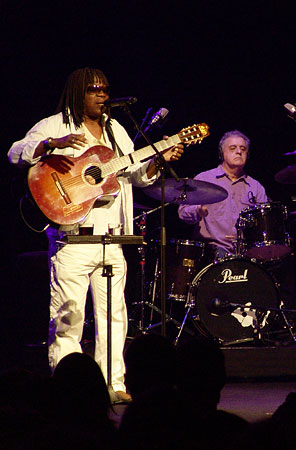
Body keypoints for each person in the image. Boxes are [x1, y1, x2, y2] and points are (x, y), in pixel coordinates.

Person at [7, 67, 183, 403]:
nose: (102, 96)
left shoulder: (116, 130)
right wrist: (50, 145)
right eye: (94, 90)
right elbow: (15, 153)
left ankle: (113, 385)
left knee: (114, 316)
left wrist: (157, 161)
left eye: (105, 90)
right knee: (69, 317)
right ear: (78, 92)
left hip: (112, 239)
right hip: (72, 239)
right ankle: (66, 388)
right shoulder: (56, 125)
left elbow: (136, 175)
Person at [178, 129, 268, 259]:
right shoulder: (204, 179)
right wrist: (198, 211)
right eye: (233, 148)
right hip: (211, 252)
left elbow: (264, 224)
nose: (239, 151)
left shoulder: (256, 187)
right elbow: (183, 213)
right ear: (222, 153)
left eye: (243, 149)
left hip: (245, 254)